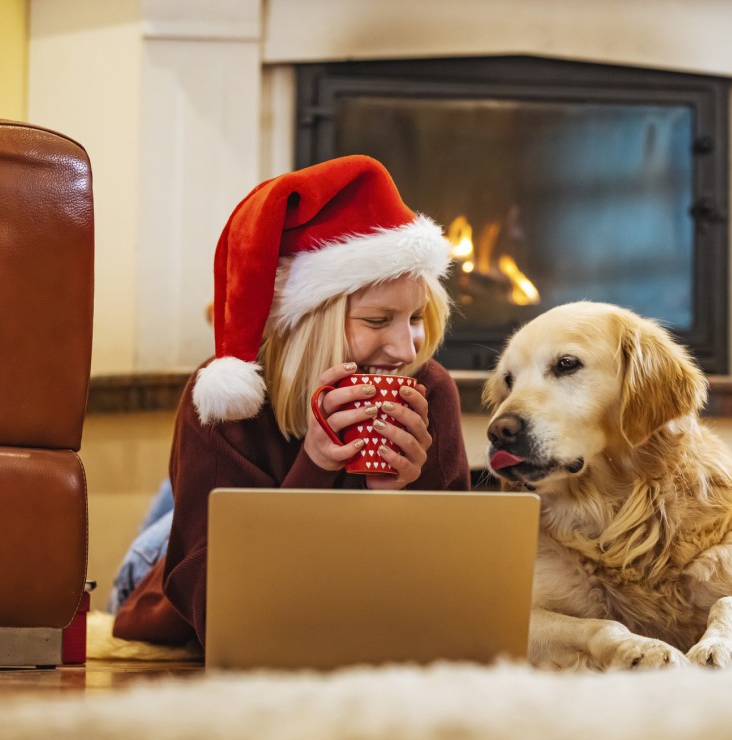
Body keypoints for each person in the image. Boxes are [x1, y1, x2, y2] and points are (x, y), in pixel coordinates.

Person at [111, 156, 471, 647]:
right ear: (308, 323)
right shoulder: (228, 402)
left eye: (413, 318)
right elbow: (218, 614)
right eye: (376, 321)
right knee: (174, 526)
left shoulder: (427, 386)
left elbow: (448, 591)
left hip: (310, 565)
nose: (407, 350)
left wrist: (403, 497)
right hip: (164, 577)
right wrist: (315, 466)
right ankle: (174, 503)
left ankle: (183, 492)